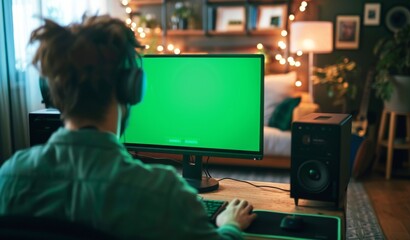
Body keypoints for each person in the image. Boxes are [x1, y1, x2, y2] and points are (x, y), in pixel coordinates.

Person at [0, 15, 256, 239]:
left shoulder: (10, 176)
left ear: (52, 91)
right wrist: (230, 225)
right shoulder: (161, 193)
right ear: (132, 88)